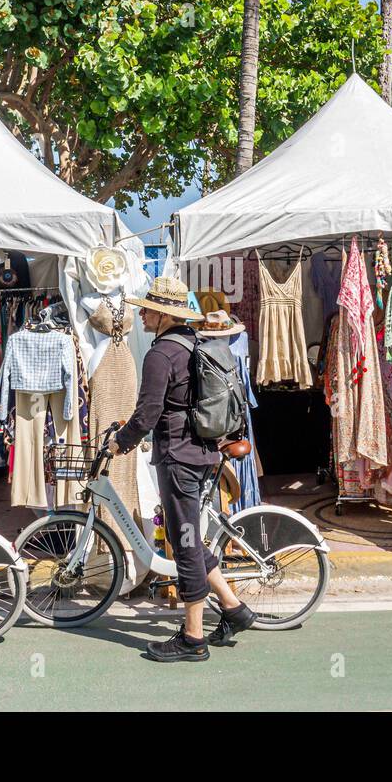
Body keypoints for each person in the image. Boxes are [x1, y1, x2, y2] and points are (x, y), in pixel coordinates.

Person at [110, 277, 254, 662]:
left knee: (185, 545)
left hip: (179, 458)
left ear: (162, 314)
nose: (141, 313)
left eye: (146, 309)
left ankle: (193, 638)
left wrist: (121, 441)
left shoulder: (160, 355)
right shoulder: (193, 343)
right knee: (185, 533)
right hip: (201, 452)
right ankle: (234, 608)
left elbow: (149, 411)